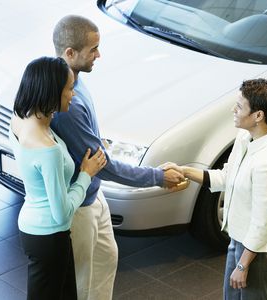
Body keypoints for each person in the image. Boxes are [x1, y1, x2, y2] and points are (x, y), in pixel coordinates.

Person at [50, 15, 185, 300]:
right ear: (70, 53)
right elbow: (104, 167)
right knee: (83, 282)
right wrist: (158, 177)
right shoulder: (68, 104)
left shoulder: (76, 80)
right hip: (79, 208)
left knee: (106, 259)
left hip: (93, 196)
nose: (99, 54)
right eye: (93, 49)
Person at [164, 78, 267, 300]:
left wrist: (243, 265)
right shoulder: (245, 137)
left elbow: (263, 222)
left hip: (259, 249)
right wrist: (185, 171)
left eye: (239, 106)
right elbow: (227, 177)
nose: (233, 109)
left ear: (258, 116)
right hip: (239, 238)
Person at [9, 56, 107, 300]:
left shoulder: (21, 120)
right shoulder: (47, 149)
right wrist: (85, 175)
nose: (73, 95)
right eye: (69, 89)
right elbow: (62, 213)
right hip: (50, 236)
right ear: (52, 91)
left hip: (35, 228)